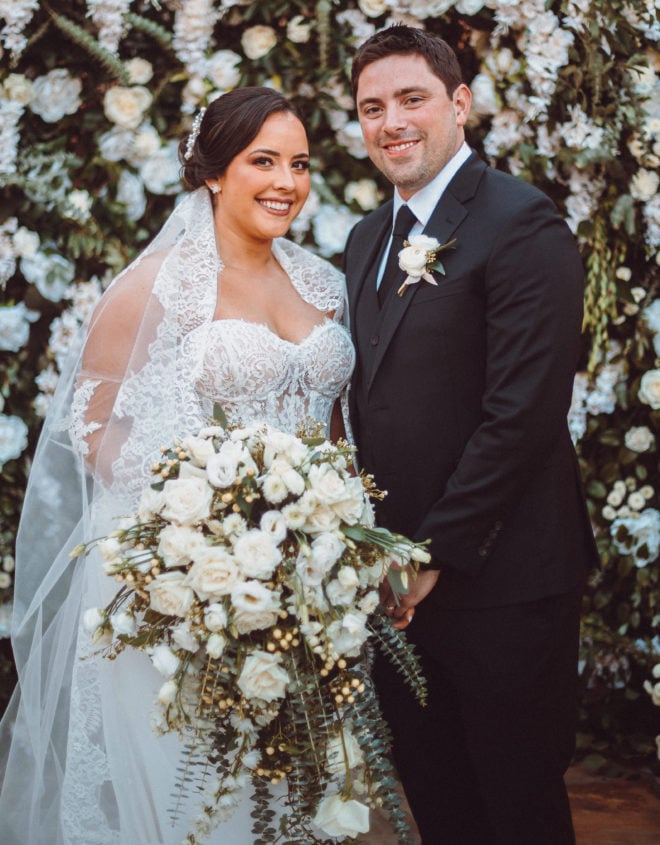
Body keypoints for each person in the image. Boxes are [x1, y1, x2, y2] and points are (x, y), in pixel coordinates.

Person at [0, 87, 356, 844]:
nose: (285, 182)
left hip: (306, 580)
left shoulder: (326, 284)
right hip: (182, 588)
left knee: (288, 786)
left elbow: (335, 425)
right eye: (262, 161)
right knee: (195, 794)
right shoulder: (152, 286)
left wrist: (336, 532)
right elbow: (92, 422)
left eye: (299, 163)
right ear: (213, 173)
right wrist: (195, 527)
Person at [344, 25, 600, 845]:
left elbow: (521, 416)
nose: (391, 122)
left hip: (503, 583)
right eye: (371, 107)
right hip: (397, 596)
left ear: (459, 103)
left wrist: (432, 555)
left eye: (411, 99)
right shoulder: (364, 241)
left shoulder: (522, 223)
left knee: (517, 811)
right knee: (442, 808)